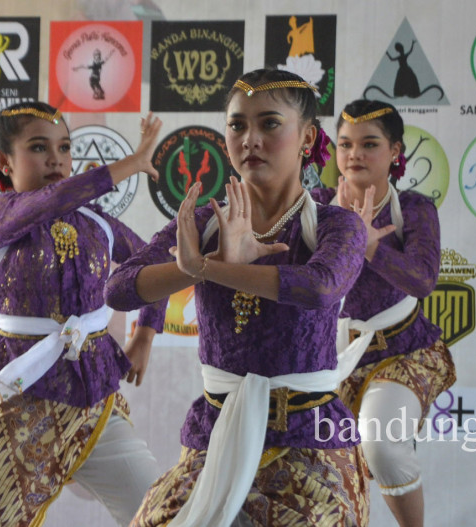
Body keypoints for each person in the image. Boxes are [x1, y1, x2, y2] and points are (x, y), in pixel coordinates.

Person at [105, 69, 370, 526]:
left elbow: (320, 287)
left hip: (309, 446)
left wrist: (210, 269)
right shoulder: (203, 223)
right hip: (215, 439)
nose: (249, 139)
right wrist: (196, 262)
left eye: (269, 124)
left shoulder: (335, 225)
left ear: (307, 137)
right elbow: (120, 288)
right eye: (237, 125)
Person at [0, 102, 166, 527]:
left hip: (94, 396)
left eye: (64, 147)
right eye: (39, 148)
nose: (56, 159)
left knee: (160, 512)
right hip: (18, 400)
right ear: (4, 161)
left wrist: (146, 333)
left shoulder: (97, 220)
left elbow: (153, 264)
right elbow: (53, 199)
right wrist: (131, 163)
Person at [312, 99, 456, 527]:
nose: (354, 154)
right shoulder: (315, 205)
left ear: (395, 152)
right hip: (329, 360)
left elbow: (423, 280)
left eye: (369, 144)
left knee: (383, 445)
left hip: (403, 350)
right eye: (345, 144)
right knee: (318, 466)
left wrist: (371, 245)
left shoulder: (412, 209)